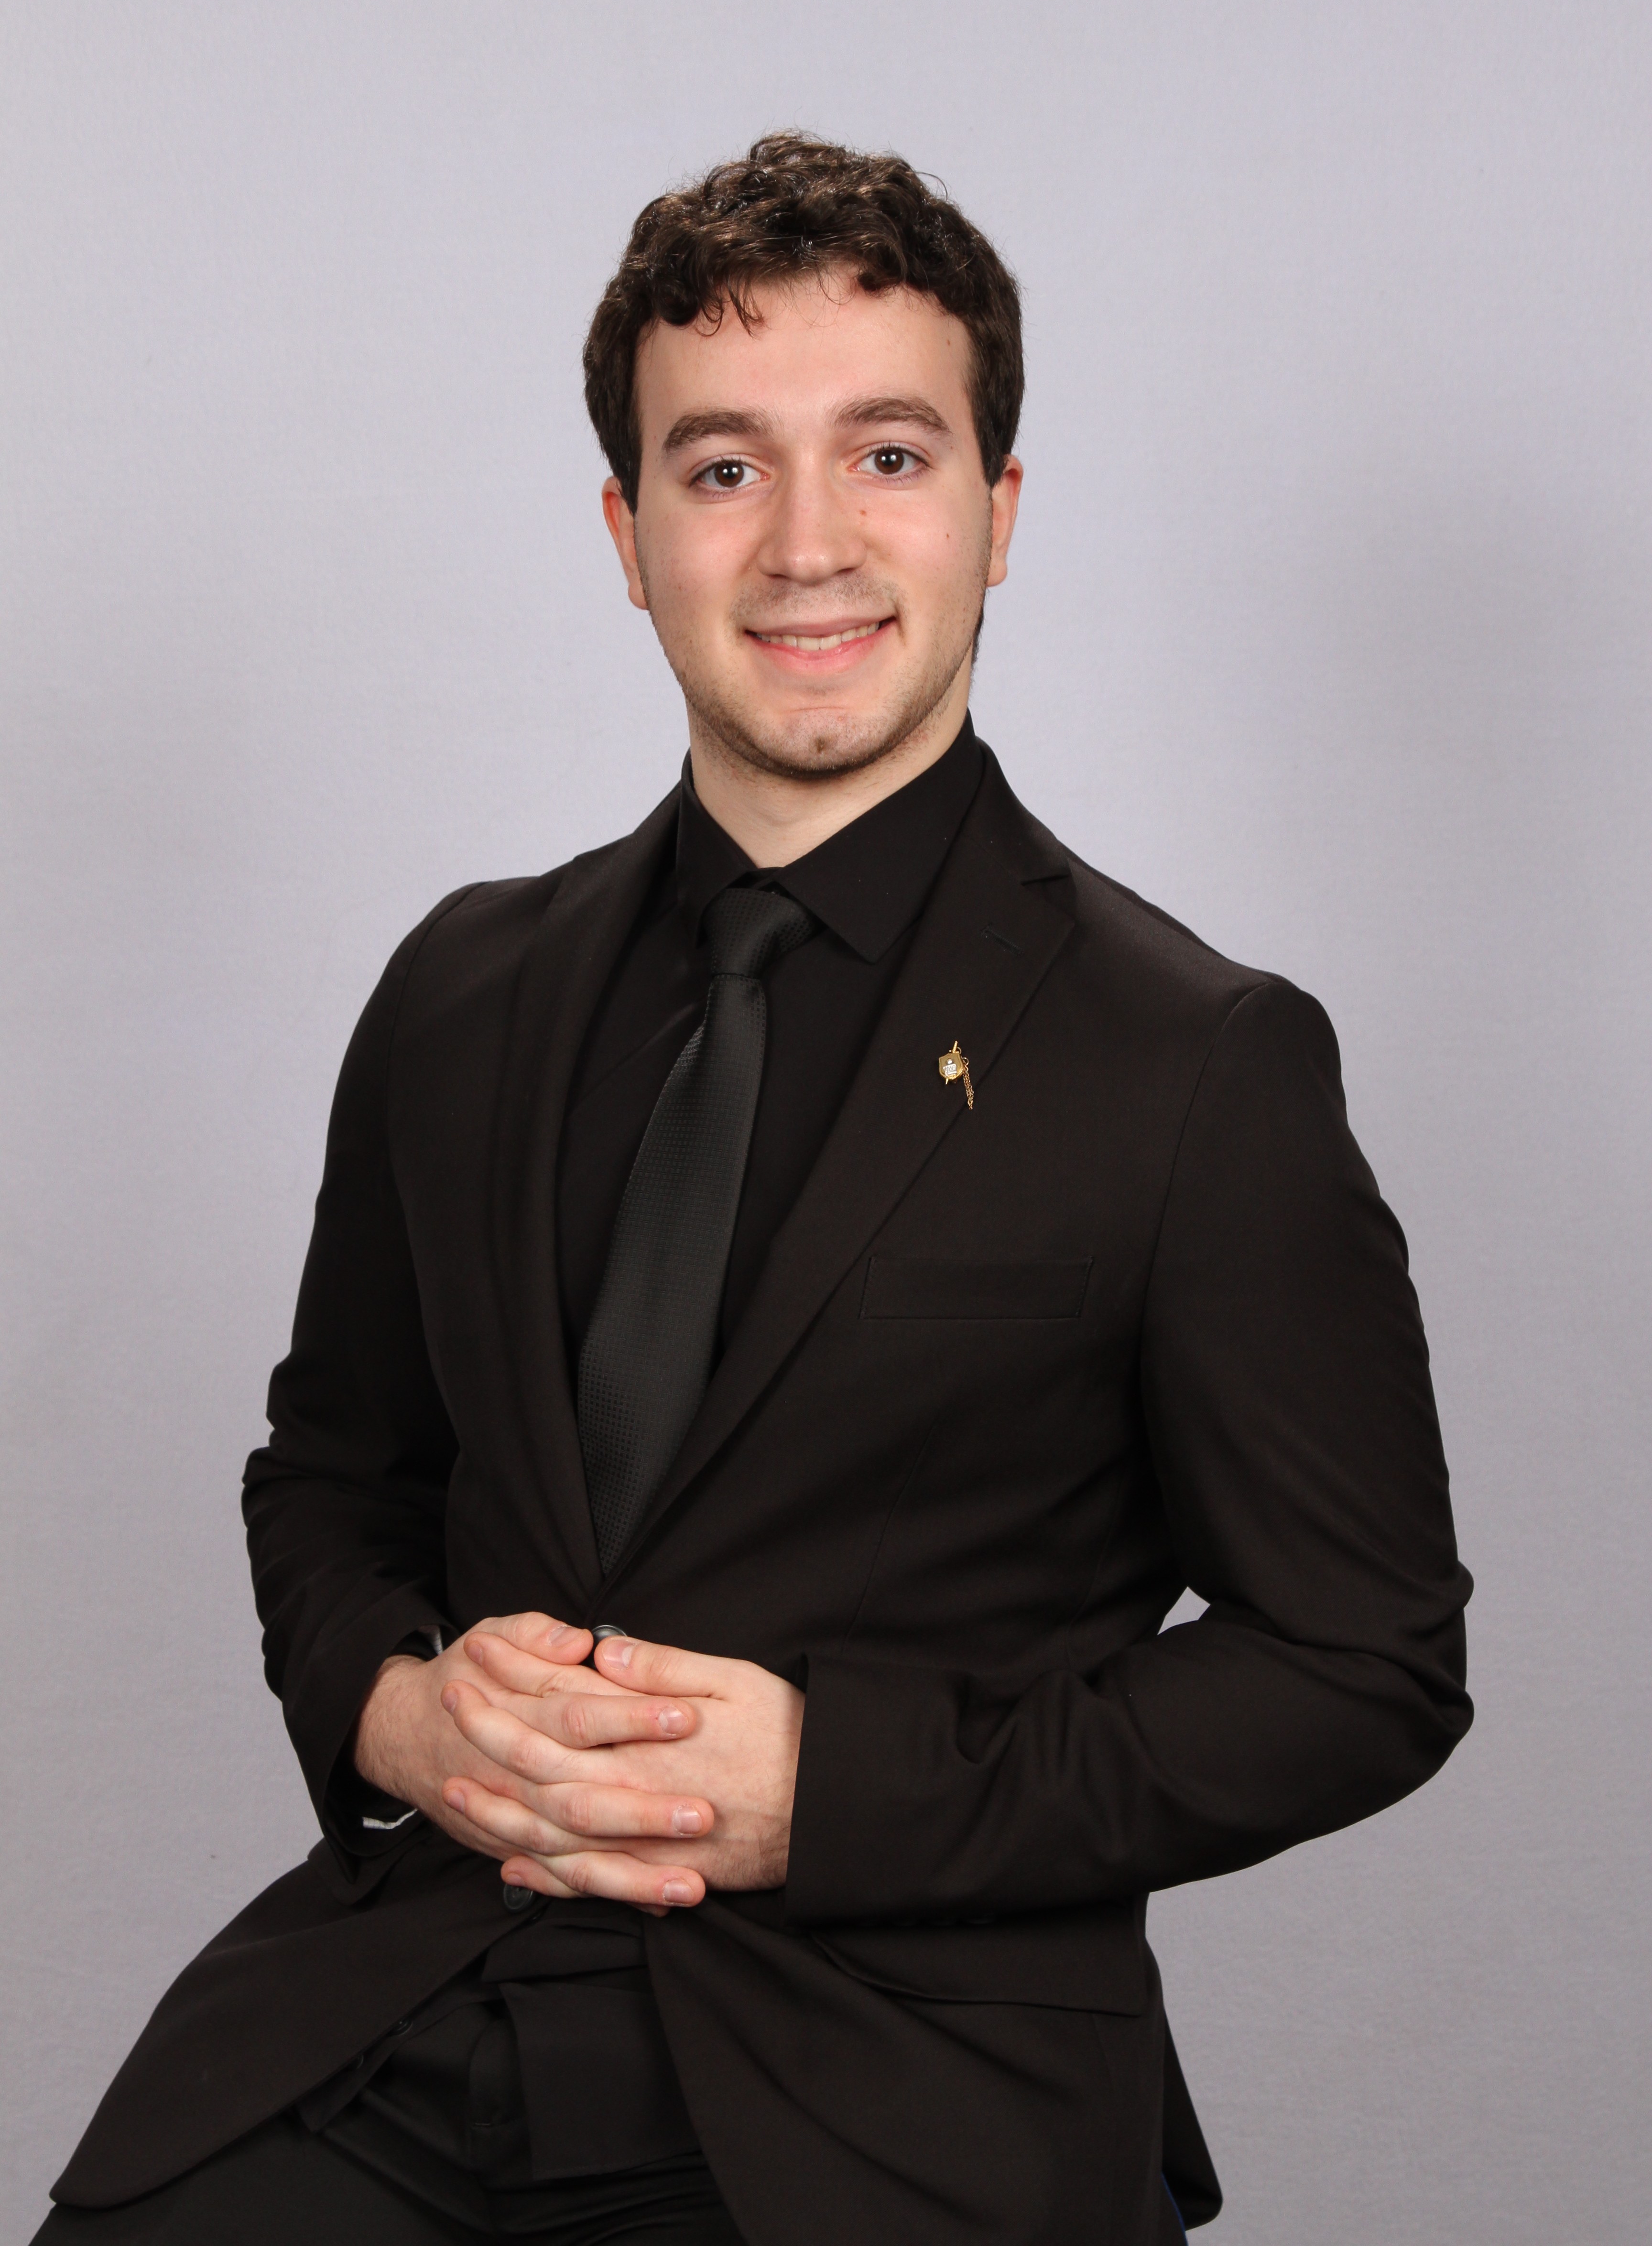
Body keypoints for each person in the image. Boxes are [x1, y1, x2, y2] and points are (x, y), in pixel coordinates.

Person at [38, 134, 1472, 2246]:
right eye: (724, 469)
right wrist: (399, 1716)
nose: (809, 543)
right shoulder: (460, 990)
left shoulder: (1200, 1061)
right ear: (630, 537)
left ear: (998, 514)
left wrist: (838, 1791)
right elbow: (332, 1475)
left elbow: (1366, 1665)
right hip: (399, 2017)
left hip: (884, 2093)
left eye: (888, 455)